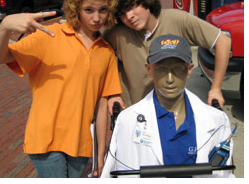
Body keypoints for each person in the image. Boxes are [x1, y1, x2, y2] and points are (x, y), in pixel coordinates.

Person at [0, 0, 123, 178]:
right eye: (89, 10)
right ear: (76, 7)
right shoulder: (50, 36)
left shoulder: (105, 51)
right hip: (45, 139)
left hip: (80, 143)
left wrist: (101, 153)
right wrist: (5, 27)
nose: (97, 18)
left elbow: (102, 105)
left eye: (102, 10)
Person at [101, 34, 235, 178]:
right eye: (161, 69)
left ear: (189, 69)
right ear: (149, 70)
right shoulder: (127, 121)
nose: (169, 79)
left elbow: (224, 175)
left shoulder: (217, 121)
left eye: (177, 69)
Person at [103, 0, 231, 110]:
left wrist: (216, 88)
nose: (129, 16)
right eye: (123, 13)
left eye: (132, 7)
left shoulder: (177, 20)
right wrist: (113, 93)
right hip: (133, 112)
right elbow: (101, 62)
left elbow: (223, 41)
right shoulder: (117, 34)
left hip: (172, 110)